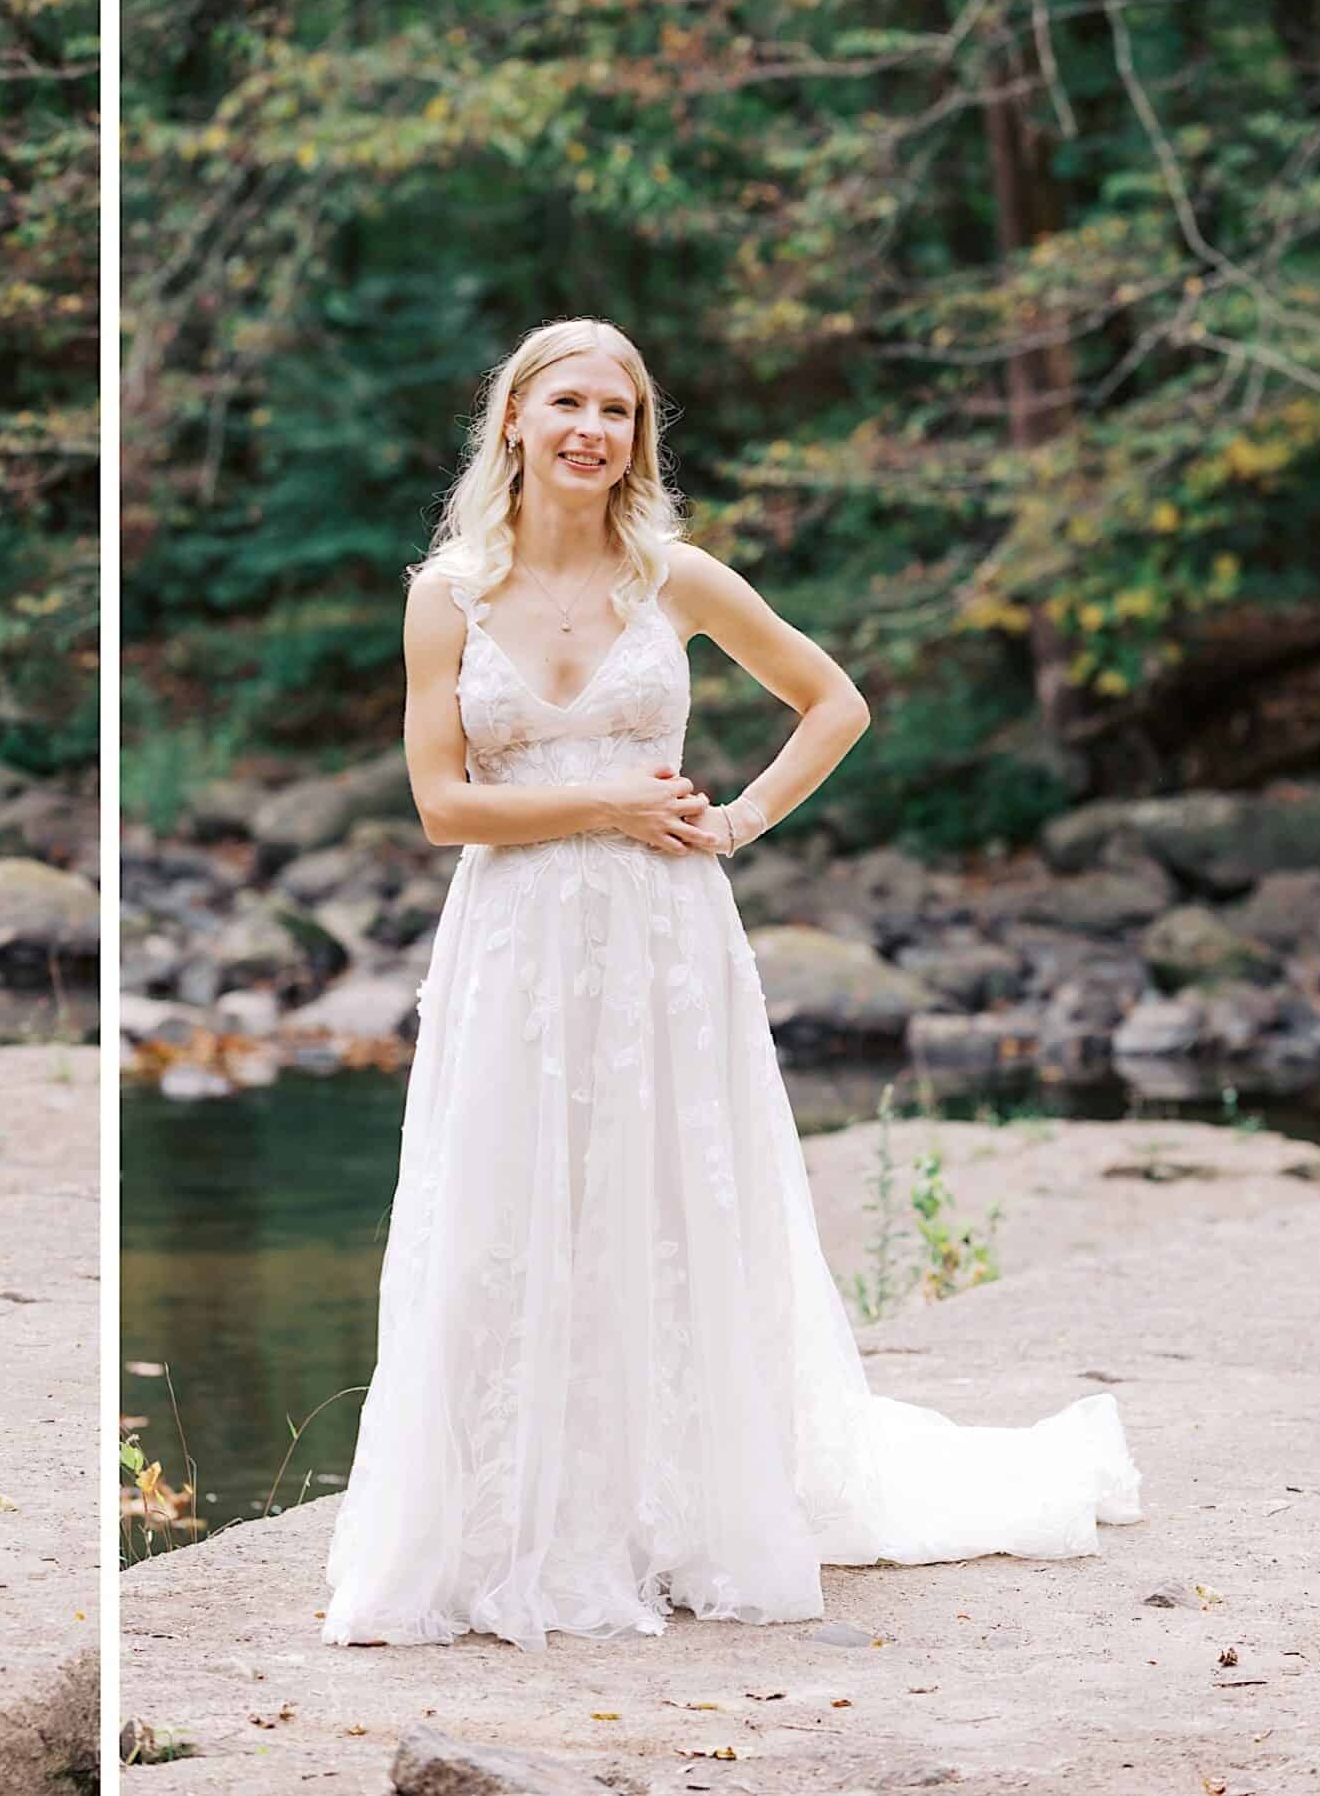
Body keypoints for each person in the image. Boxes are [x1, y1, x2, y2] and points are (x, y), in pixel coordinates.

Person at [320, 318, 1139, 1647]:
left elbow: (836, 702)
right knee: (508, 1205)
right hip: (515, 943)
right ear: (515, 418)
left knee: (663, 1201)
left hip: (664, 942)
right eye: (570, 402)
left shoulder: (679, 577)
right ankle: (499, 1521)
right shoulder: (446, 594)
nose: (595, 429)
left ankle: (678, 1514)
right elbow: (439, 805)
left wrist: (736, 820)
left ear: (637, 438)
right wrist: (606, 797)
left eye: (622, 410)